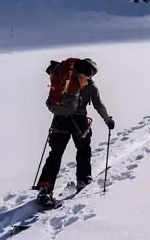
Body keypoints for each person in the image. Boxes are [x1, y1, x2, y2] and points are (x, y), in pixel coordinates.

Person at [35, 58, 115, 205]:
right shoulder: (89, 86)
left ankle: (45, 187)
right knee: (83, 150)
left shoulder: (65, 79)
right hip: (79, 123)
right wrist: (107, 120)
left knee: (55, 154)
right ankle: (83, 180)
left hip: (60, 121)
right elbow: (99, 105)